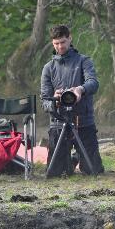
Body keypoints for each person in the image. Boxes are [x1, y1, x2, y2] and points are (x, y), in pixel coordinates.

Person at [40, 24, 104, 176]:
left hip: (83, 121)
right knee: (56, 173)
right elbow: (44, 101)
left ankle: (76, 157)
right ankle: (70, 161)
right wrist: (55, 99)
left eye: (63, 42)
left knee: (93, 170)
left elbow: (93, 83)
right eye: (56, 43)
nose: (60, 47)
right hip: (58, 122)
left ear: (70, 38)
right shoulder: (48, 68)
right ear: (52, 43)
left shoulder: (84, 61)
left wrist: (80, 90)